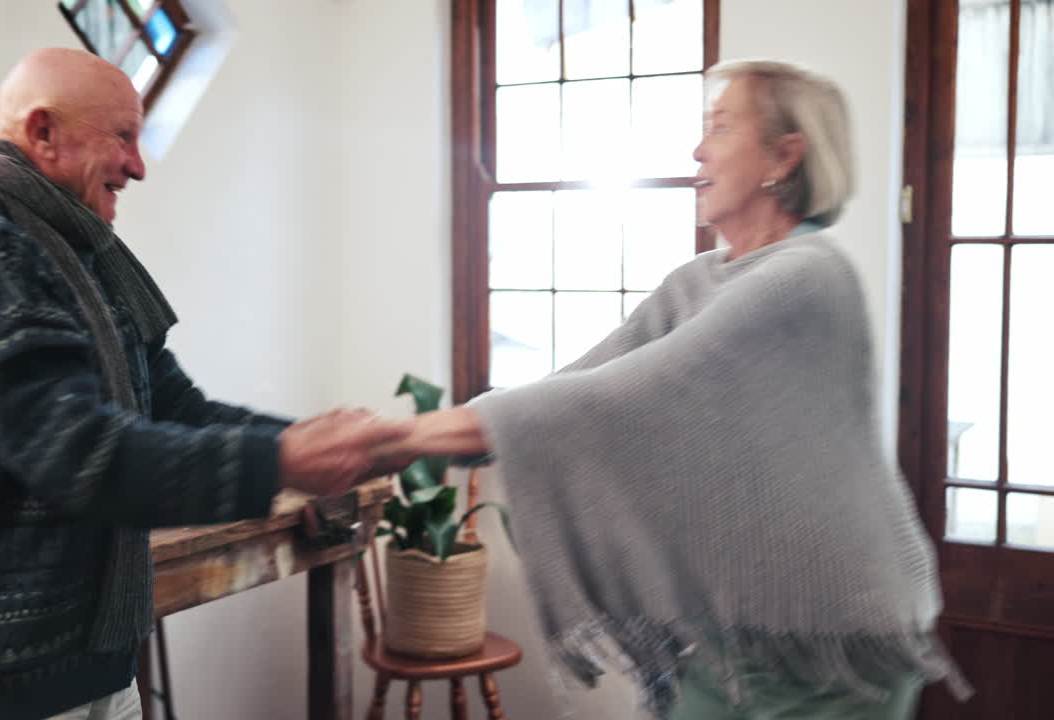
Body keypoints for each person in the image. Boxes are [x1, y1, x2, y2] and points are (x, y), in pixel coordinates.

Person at [375, 60, 969, 719]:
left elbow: (623, 396)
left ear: (784, 155)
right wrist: (419, 439)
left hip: (839, 632)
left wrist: (393, 440)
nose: (697, 150)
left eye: (721, 127)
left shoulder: (808, 277)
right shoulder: (696, 282)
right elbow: (576, 383)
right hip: (733, 627)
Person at [0, 47, 406, 720]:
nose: (138, 165)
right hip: (0, 686)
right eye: (122, 137)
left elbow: (176, 409)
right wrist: (284, 460)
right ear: (44, 133)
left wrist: (322, 443)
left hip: (93, 663)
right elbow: (80, 457)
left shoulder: (85, 258)